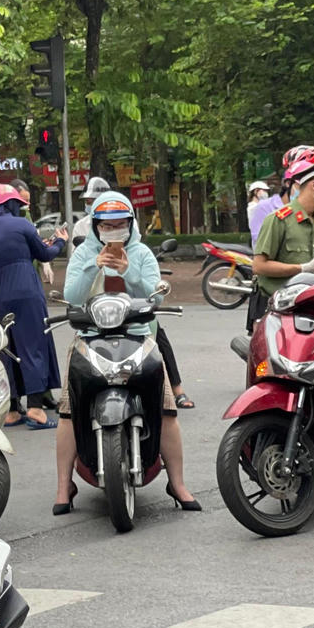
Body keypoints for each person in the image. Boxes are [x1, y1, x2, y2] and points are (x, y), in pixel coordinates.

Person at [60, 192, 200, 514]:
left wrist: (128, 272)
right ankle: (62, 486)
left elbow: (155, 298)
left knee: (167, 410)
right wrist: (92, 268)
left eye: (119, 224)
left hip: (139, 339)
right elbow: (72, 297)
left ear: (130, 224)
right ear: (96, 226)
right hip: (90, 338)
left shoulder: (142, 254)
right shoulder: (83, 254)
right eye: (106, 225)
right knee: (68, 411)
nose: (112, 230)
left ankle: (177, 482)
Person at [0, 183, 66, 427]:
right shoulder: (22, 225)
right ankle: (36, 410)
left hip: (2, 293)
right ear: (11, 204)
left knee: (9, 349)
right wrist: (59, 242)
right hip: (27, 291)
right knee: (34, 345)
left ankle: (12, 410)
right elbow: (45, 255)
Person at [249, 152, 314, 333]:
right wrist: (302, 268)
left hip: (312, 311)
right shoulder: (279, 220)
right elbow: (259, 266)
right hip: (278, 311)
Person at [70, 176, 110, 243]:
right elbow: (76, 252)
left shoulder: (125, 222)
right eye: (87, 202)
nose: (90, 205)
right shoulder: (81, 226)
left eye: (95, 201)